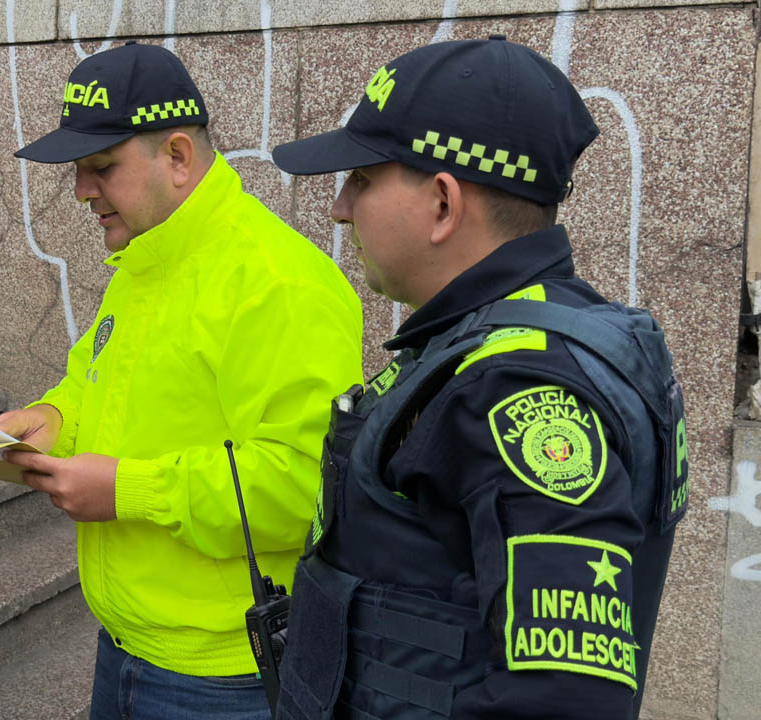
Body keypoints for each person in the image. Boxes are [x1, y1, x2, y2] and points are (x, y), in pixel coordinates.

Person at [268, 36, 687, 720]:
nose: (341, 208)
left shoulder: (520, 388)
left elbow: (564, 699)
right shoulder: (516, 336)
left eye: (364, 179)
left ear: (442, 204)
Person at [0, 42, 364, 719]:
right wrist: (53, 417)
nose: (80, 190)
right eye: (78, 169)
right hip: (125, 649)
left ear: (178, 158)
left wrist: (127, 490)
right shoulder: (145, 259)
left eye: (100, 167)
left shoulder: (276, 282)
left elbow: (301, 484)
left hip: (223, 682)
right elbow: (98, 384)